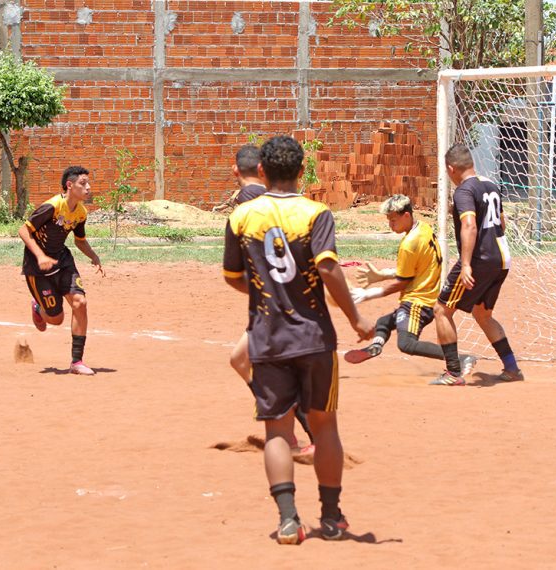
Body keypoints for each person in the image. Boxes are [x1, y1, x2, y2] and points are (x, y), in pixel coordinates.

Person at [223, 135, 373, 544]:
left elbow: (233, 277)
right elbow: (328, 269)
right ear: (302, 172)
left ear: (263, 172)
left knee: (276, 431)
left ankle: (288, 520)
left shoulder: (242, 216)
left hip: (267, 338)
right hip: (313, 337)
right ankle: (331, 517)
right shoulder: (316, 213)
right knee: (324, 428)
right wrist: (356, 317)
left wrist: (265, 293)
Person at [226, 144, 316, 451]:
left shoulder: (248, 201)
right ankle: (289, 428)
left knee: (269, 369)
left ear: (235, 170)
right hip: (281, 296)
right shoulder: (270, 197)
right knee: (239, 360)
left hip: (275, 304)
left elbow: (233, 273)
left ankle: (296, 428)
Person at [343, 194, 476, 376]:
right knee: (384, 322)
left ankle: (459, 359)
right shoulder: (424, 228)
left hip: (417, 303)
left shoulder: (409, 244)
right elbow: (414, 268)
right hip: (428, 295)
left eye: (393, 220)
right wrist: (382, 275)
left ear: (406, 216)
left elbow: (401, 282)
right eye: (388, 220)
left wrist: (368, 294)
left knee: (406, 344)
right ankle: (376, 346)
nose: (390, 224)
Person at [431, 144, 524, 386]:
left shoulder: (463, 191)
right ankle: (512, 368)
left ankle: (453, 373)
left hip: (480, 259)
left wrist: (466, 265)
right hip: (502, 257)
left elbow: (469, 225)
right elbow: (501, 223)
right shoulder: (490, 185)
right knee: (482, 314)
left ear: (451, 169)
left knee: (442, 310)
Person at [19, 166, 104, 375]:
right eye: (83, 183)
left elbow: (80, 241)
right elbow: (23, 230)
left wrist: (93, 256)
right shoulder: (52, 207)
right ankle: (39, 308)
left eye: (88, 183)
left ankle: (77, 362)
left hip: (63, 261)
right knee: (56, 319)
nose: (88, 188)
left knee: (80, 302)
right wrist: (40, 256)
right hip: (37, 268)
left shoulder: (81, 212)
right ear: (70, 185)